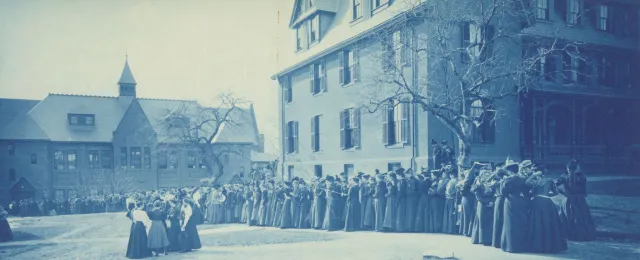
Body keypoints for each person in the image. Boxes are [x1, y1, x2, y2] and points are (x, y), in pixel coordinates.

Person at [526, 170, 567, 253]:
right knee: (548, 224)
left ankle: (537, 245)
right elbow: (556, 192)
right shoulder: (550, 180)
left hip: (537, 202)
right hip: (547, 202)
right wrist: (548, 193)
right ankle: (549, 244)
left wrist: (534, 175)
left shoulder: (536, 181)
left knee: (537, 224)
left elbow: (527, 182)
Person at [556, 159, 597, 241]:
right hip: (578, 199)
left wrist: (563, 193)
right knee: (581, 216)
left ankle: (571, 235)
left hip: (571, 199)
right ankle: (583, 234)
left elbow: (555, 185)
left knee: (571, 216)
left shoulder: (565, 176)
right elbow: (583, 189)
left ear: (568, 168)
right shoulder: (581, 176)